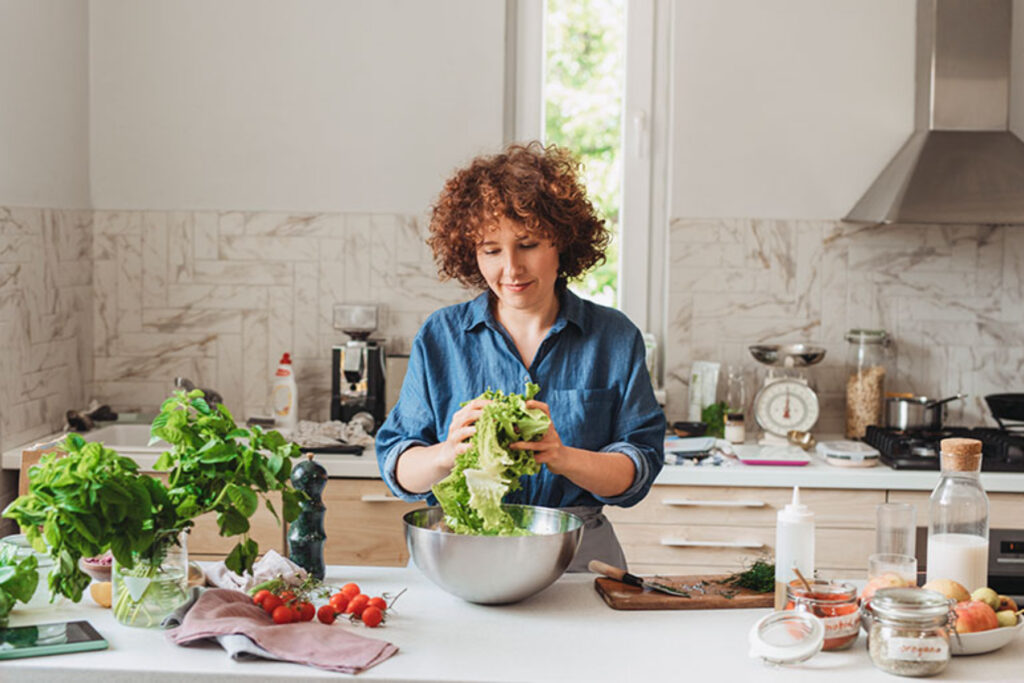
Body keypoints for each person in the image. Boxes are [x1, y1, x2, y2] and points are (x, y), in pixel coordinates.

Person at [375, 141, 665, 570]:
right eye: (491, 250)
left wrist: (563, 457)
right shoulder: (442, 336)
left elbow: (637, 468)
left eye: (527, 244)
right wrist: (447, 452)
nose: (511, 269)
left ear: (562, 243)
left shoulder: (614, 337)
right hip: (462, 553)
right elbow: (398, 466)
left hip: (577, 556)